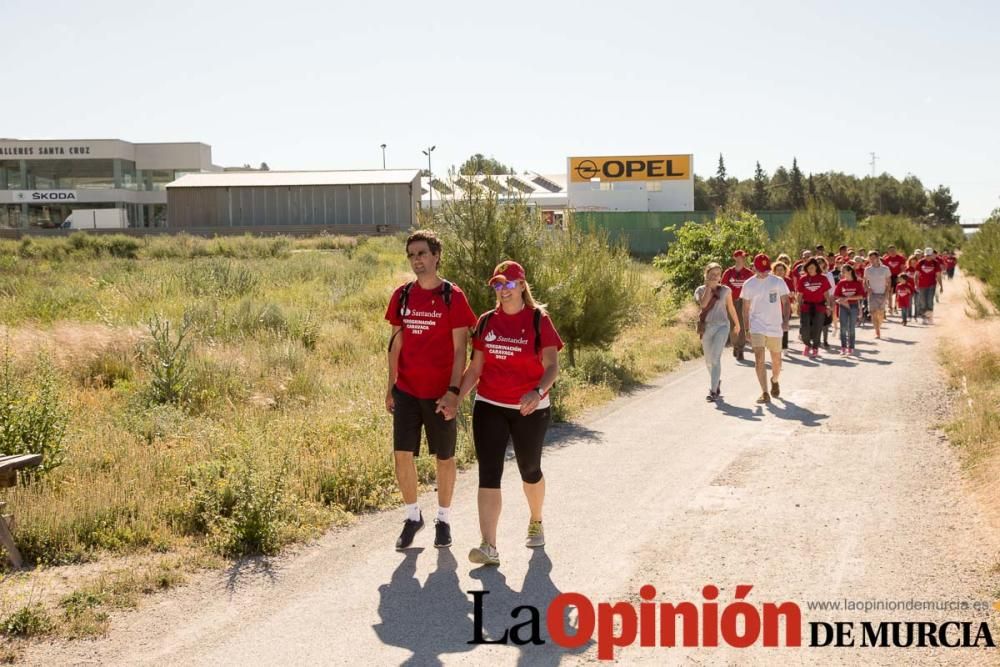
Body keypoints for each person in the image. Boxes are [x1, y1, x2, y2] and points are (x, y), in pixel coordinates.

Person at [455, 260, 563, 567]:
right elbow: (475, 367)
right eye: (497, 285)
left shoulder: (539, 319)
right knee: (489, 472)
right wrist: (456, 398)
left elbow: (552, 366)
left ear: (521, 285)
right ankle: (488, 546)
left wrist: (537, 391)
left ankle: (537, 519)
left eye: (508, 283)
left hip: (530, 407)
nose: (503, 290)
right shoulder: (487, 321)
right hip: (489, 404)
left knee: (530, 469)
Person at [385, 230, 478, 550]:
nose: (417, 260)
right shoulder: (402, 296)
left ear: (436, 256)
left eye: (422, 253)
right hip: (407, 391)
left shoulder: (453, 296)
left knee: (445, 457)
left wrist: (454, 391)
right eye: (412, 255)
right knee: (402, 455)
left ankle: (443, 519)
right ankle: (413, 517)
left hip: (440, 393)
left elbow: (459, 349)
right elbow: (395, 344)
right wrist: (390, 387)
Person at [741, 253, 791, 404]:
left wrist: (786, 320)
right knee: (759, 358)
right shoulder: (749, 284)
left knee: (776, 361)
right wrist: (747, 329)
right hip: (757, 325)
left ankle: (774, 380)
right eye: (760, 270)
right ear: (754, 268)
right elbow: (745, 309)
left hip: (775, 326)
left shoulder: (778, 282)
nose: (764, 273)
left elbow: (786, 302)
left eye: (766, 270)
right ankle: (764, 392)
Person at [696, 262, 741, 400]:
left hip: (722, 326)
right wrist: (709, 288)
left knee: (715, 357)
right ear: (706, 275)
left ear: (721, 276)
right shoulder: (700, 290)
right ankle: (716, 381)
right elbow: (703, 304)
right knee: (708, 360)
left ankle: (713, 390)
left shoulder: (726, 290)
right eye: (712, 274)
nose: (715, 277)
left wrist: (737, 324)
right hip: (707, 328)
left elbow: (731, 307)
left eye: (717, 274)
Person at [795, 258, 832, 358]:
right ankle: (807, 344)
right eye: (808, 268)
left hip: (819, 307)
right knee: (804, 329)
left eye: (812, 267)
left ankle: (815, 348)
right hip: (806, 306)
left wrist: (828, 306)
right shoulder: (803, 279)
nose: (810, 269)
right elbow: (800, 294)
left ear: (817, 268)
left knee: (817, 328)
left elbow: (826, 294)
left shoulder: (823, 278)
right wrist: (798, 306)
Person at [722, 250, 754, 361]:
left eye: (744, 257)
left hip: (743, 301)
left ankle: (740, 349)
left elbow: (754, 287)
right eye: (741, 257)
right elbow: (723, 288)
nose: (743, 259)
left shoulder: (749, 273)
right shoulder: (728, 272)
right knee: (733, 325)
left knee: (742, 323)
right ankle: (735, 345)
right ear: (735, 258)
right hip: (731, 301)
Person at [833, 265, 865, 356]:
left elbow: (861, 296)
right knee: (843, 328)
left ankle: (851, 347)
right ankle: (843, 348)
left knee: (851, 328)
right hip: (843, 306)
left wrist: (849, 298)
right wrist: (842, 300)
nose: (842, 273)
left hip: (854, 306)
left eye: (843, 271)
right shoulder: (841, 283)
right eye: (841, 271)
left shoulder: (857, 283)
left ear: (850, 271)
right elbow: (836, 295)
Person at [864, 251, 892, 339]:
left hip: (882, 293)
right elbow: (864, 281)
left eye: (873, 258)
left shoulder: (885, 269)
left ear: (877, 258)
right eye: (870, 258)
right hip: (872, 294)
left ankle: (878, 326)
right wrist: (868, 288)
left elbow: (889, 281)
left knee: (880, 313)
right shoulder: (867, 269)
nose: (871, 260)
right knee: (873, 312)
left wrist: (887, 292)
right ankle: (877, 331)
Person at [915, 247, 941, 324]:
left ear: (932, 255)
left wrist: (941, 286)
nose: (928, 257)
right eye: (926, 255)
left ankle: (929, 317)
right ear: (924, 255)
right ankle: (924, 317)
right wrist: (916, 284)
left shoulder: (935, 263)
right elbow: (916, 274)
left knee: (930, 301)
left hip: (932, 285)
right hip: (922, 285)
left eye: (929, 255)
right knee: (923, 301)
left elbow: (938, 275)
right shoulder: (920, 262)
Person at [773, 261, 794, 350]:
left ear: (785, 271)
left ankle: (784, 346)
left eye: (782, 270)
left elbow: (792, 293)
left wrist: (790, 294)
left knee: (784, 326)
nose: (780, 272)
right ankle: (776, 345)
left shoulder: (788, 280)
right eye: (778, 270)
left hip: (785, 307)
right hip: (774, 309)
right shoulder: (771, 280)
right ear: (774, 271)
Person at [881, 245, 906, 314]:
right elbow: (884, 269)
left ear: (896, 250)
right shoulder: (886, 259)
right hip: (889, 276)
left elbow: (902, 268)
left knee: (898, 292)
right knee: (890, 292)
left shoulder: (900, 258)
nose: (892, 252)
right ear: (888, 251)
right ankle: (890, 307)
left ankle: (895, 306)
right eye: (891, 251)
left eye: (894, 250)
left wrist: (902, 277)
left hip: (898, 276)